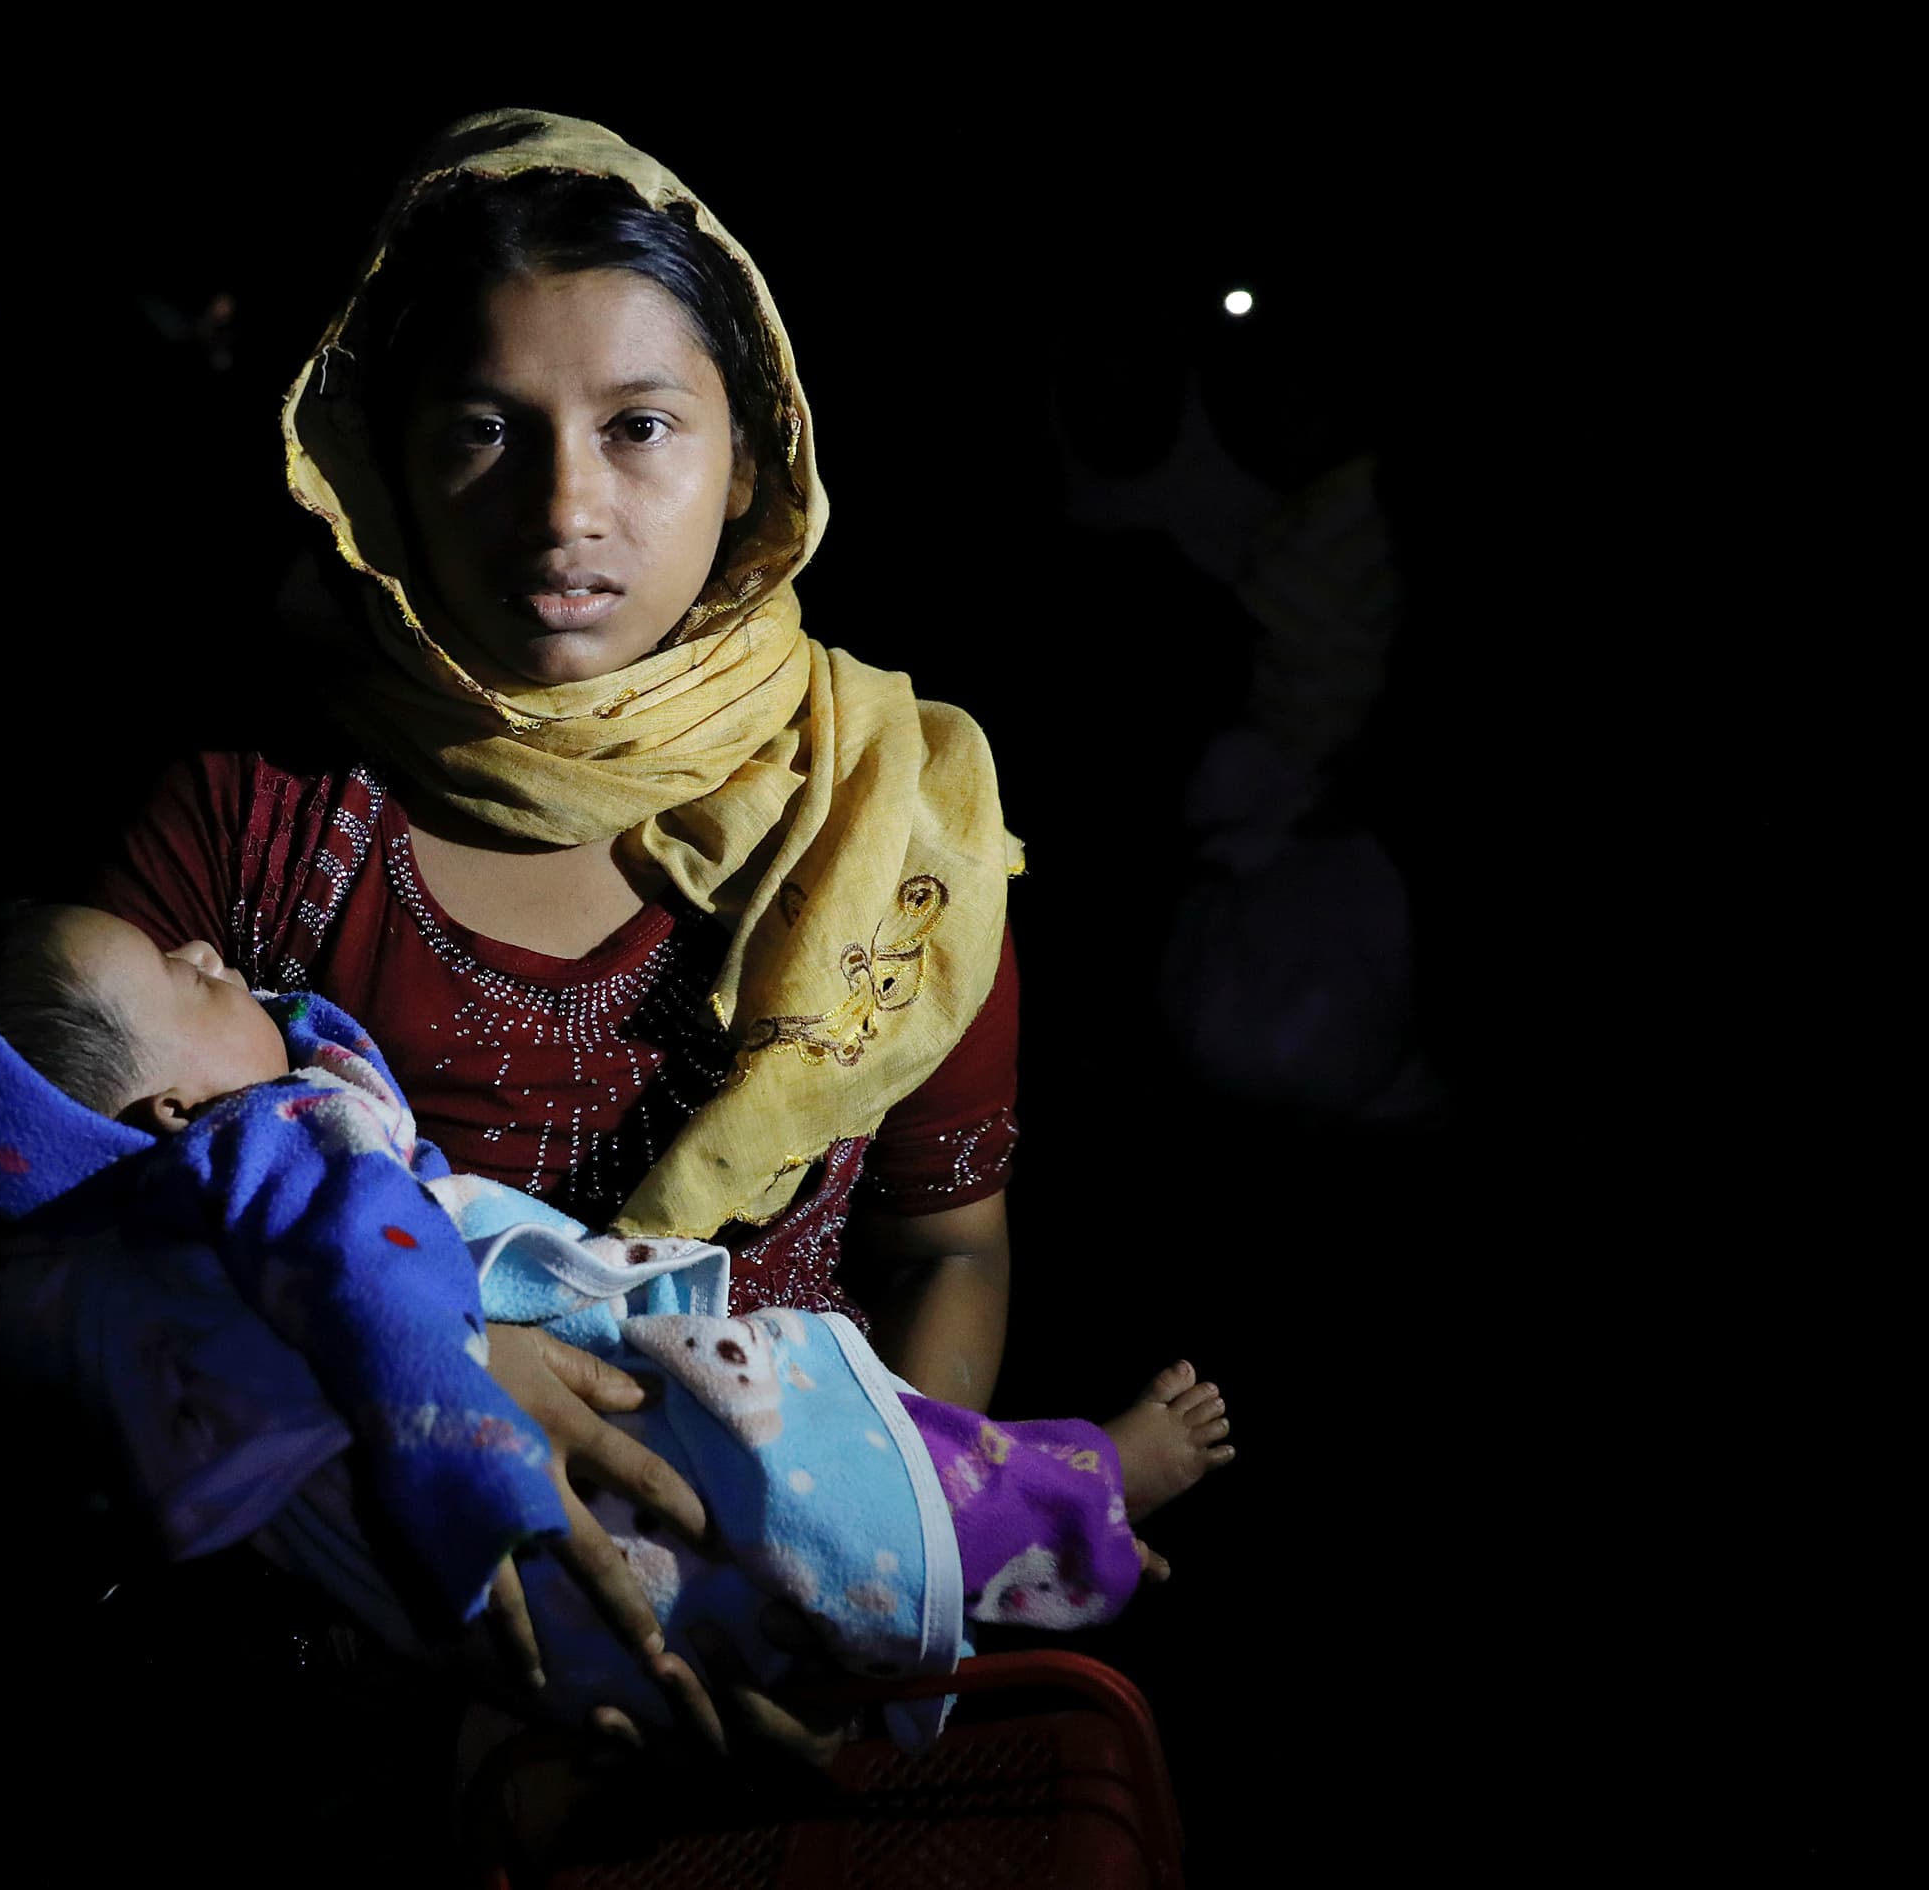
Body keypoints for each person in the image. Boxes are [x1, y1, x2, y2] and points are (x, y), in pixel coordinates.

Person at [81, 112, 1220, 1751]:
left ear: (747, 460)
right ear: (382, 458)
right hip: (362, 1648)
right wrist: (421, 1379)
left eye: (639, 427)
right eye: (485, 424)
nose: (565, 505)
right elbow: (40, 1238)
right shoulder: (250, 826)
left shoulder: (885, 816)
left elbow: (951, 1245)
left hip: (781, 1632)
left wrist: (839, 1569)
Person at [0, 905, 1228, 1740]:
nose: (208, 949)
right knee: (816, 1446)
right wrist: (463, 1428)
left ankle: (943, 1581)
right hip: (510, 1473)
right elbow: (386, 1289)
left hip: (467, 1619)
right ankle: (1083, 1487)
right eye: (180, 977)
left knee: (699, 1632)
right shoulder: (283, 1133)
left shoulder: (122, 1304)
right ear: (171, 1124)